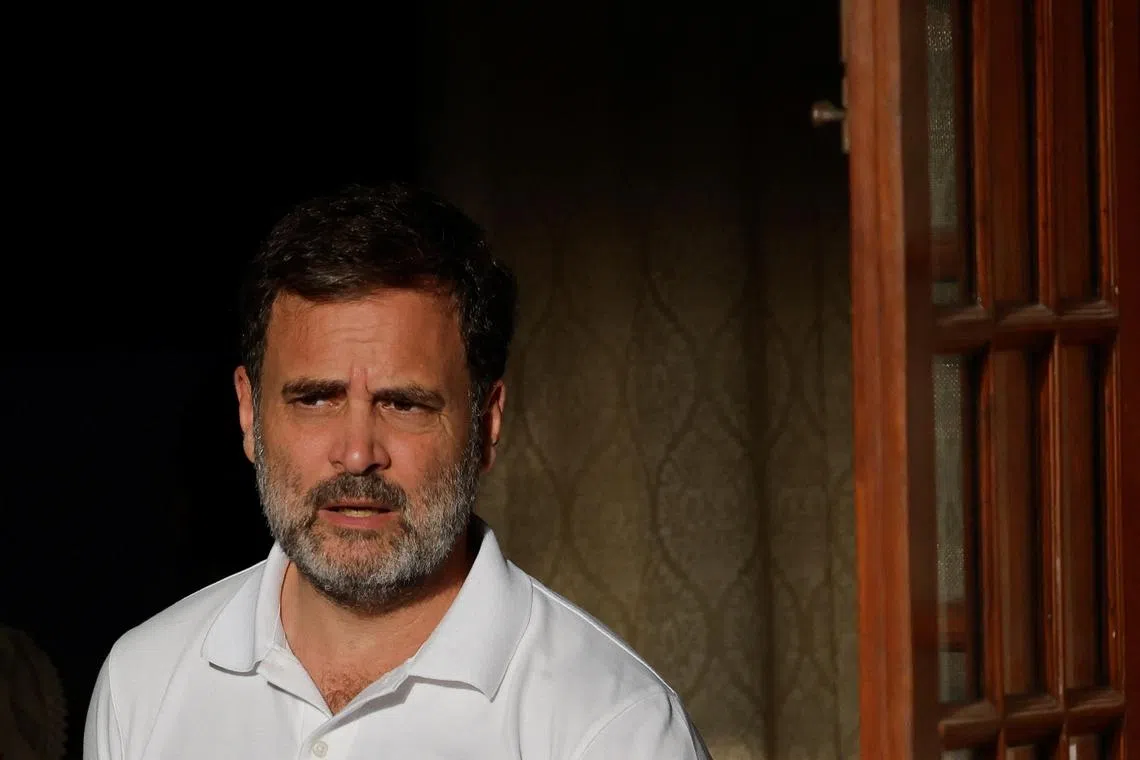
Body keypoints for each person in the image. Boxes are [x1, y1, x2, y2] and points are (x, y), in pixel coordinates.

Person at [83, 183, 710, 759]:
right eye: (315, 398)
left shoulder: (614, 728)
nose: (357, 454)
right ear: (249, 412)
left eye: (404, 403)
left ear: (486, 424)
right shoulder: (141, 685)